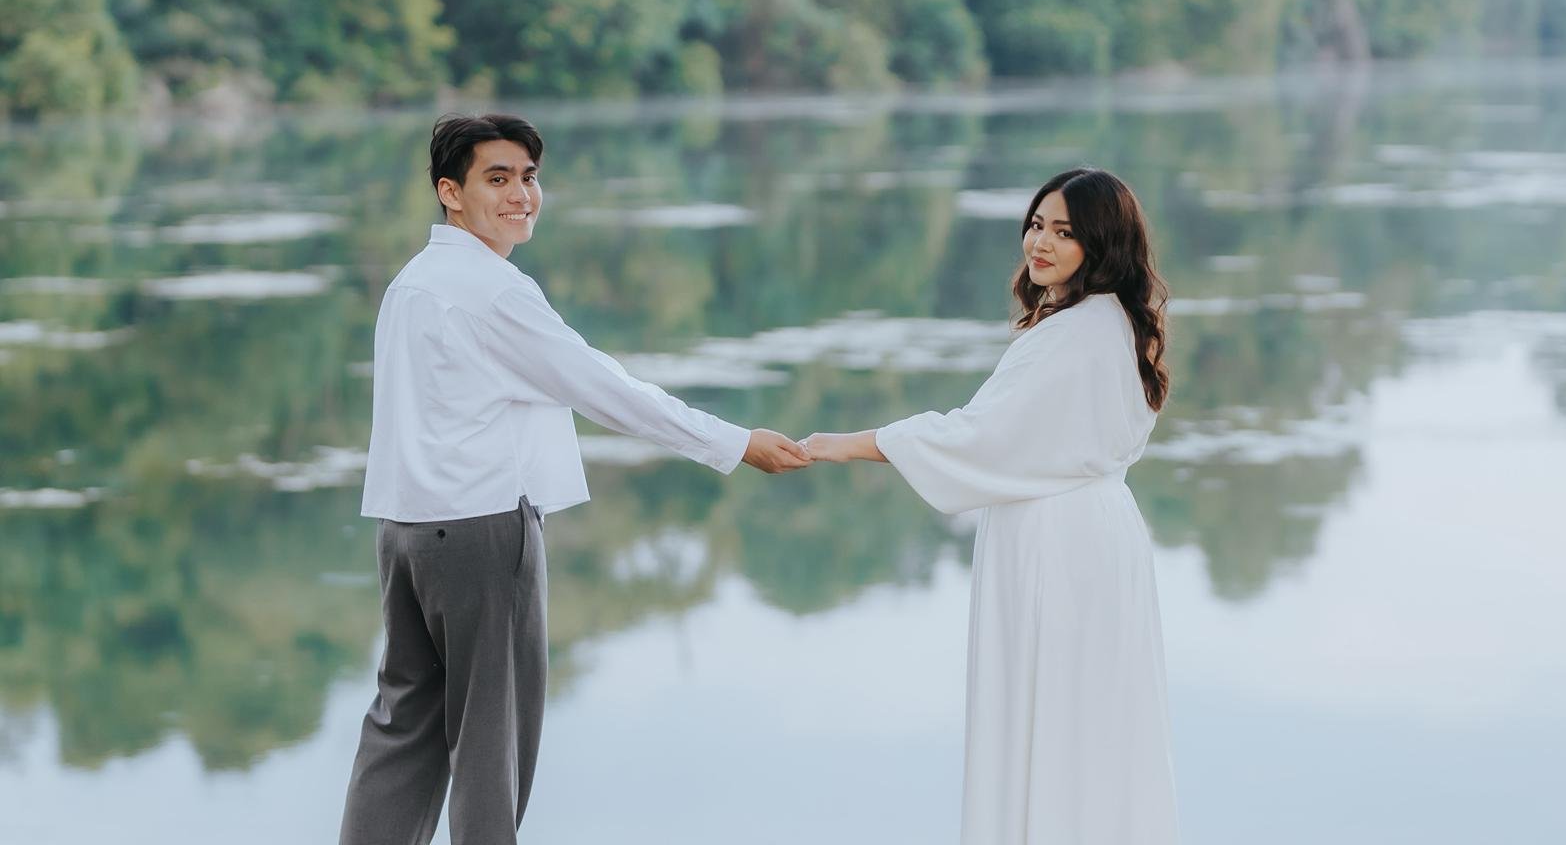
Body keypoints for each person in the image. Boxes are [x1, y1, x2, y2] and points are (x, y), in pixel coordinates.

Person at [339, 113, 809, 845]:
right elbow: (604, 388)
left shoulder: (413, 281)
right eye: (498, 178)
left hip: (405, 533)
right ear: (450, 192)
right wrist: (733, 442)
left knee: (402, 729)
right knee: (491, 742)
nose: (521, 195)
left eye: (529, 178)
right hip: (482, 533)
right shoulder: (492, 291)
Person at [802, 167, 1179, 844]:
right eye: (1036, 225)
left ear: (1101, 244)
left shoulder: (1073, 334)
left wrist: (850, 444)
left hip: (1056, 540)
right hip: (1100, 533)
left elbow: (980, 437)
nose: (1041, 243)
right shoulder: (1120, 324)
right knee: (1091, 720)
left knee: (1051, 713)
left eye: (1064, 232)